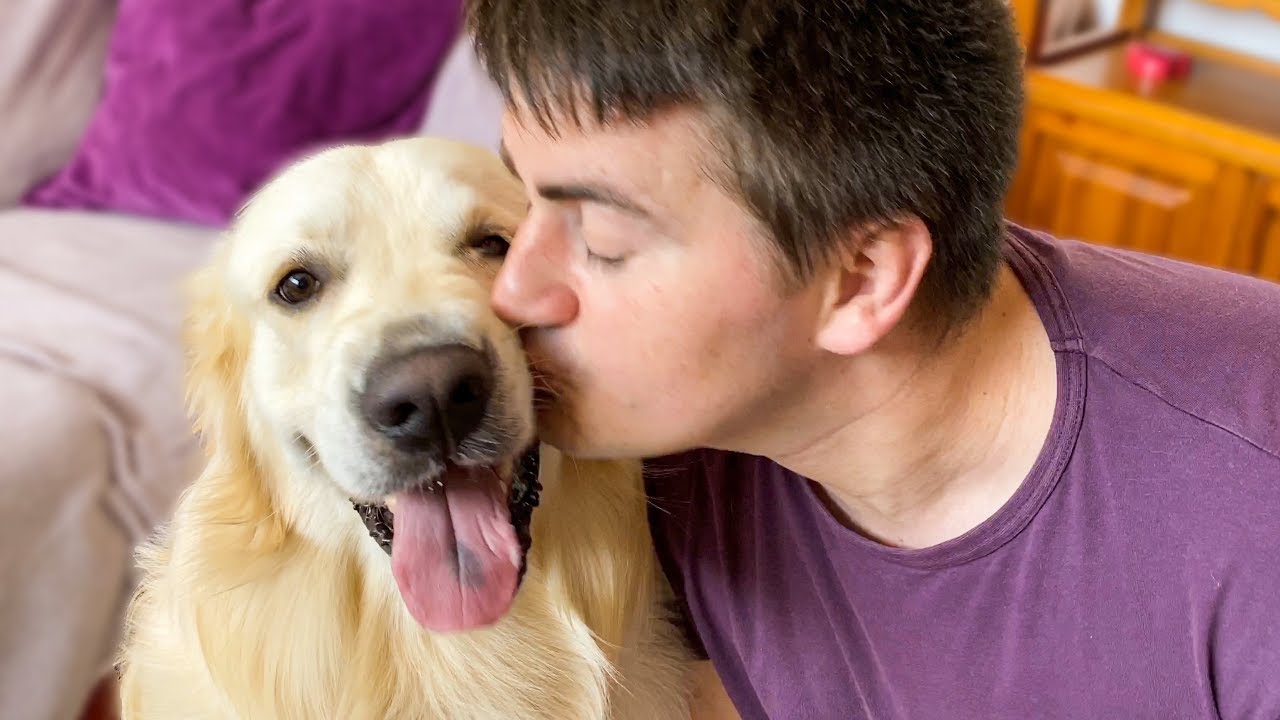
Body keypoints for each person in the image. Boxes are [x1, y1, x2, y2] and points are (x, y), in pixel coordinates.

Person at [464, 1, 1280, 717]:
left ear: (862, 281)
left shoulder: (1247, 517)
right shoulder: (654, 445)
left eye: (601, 240)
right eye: (523, 203)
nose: (514, 293)